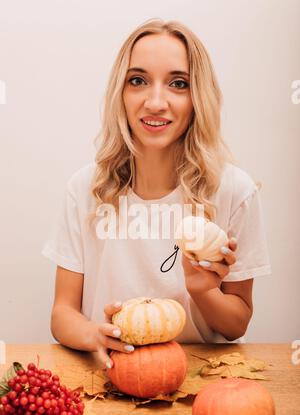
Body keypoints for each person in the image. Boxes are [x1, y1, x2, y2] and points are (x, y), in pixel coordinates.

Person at [42, 19, 271, 369]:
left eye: (178, 84)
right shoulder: (85, 189)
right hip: (112, 373)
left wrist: (203, 290)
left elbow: (236, 324)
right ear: (121, 92)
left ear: (198, 98)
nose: (155, 101)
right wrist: (94, 335)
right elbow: (62, 313)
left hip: (204, 377)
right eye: (138, 81)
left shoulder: (233, 191)